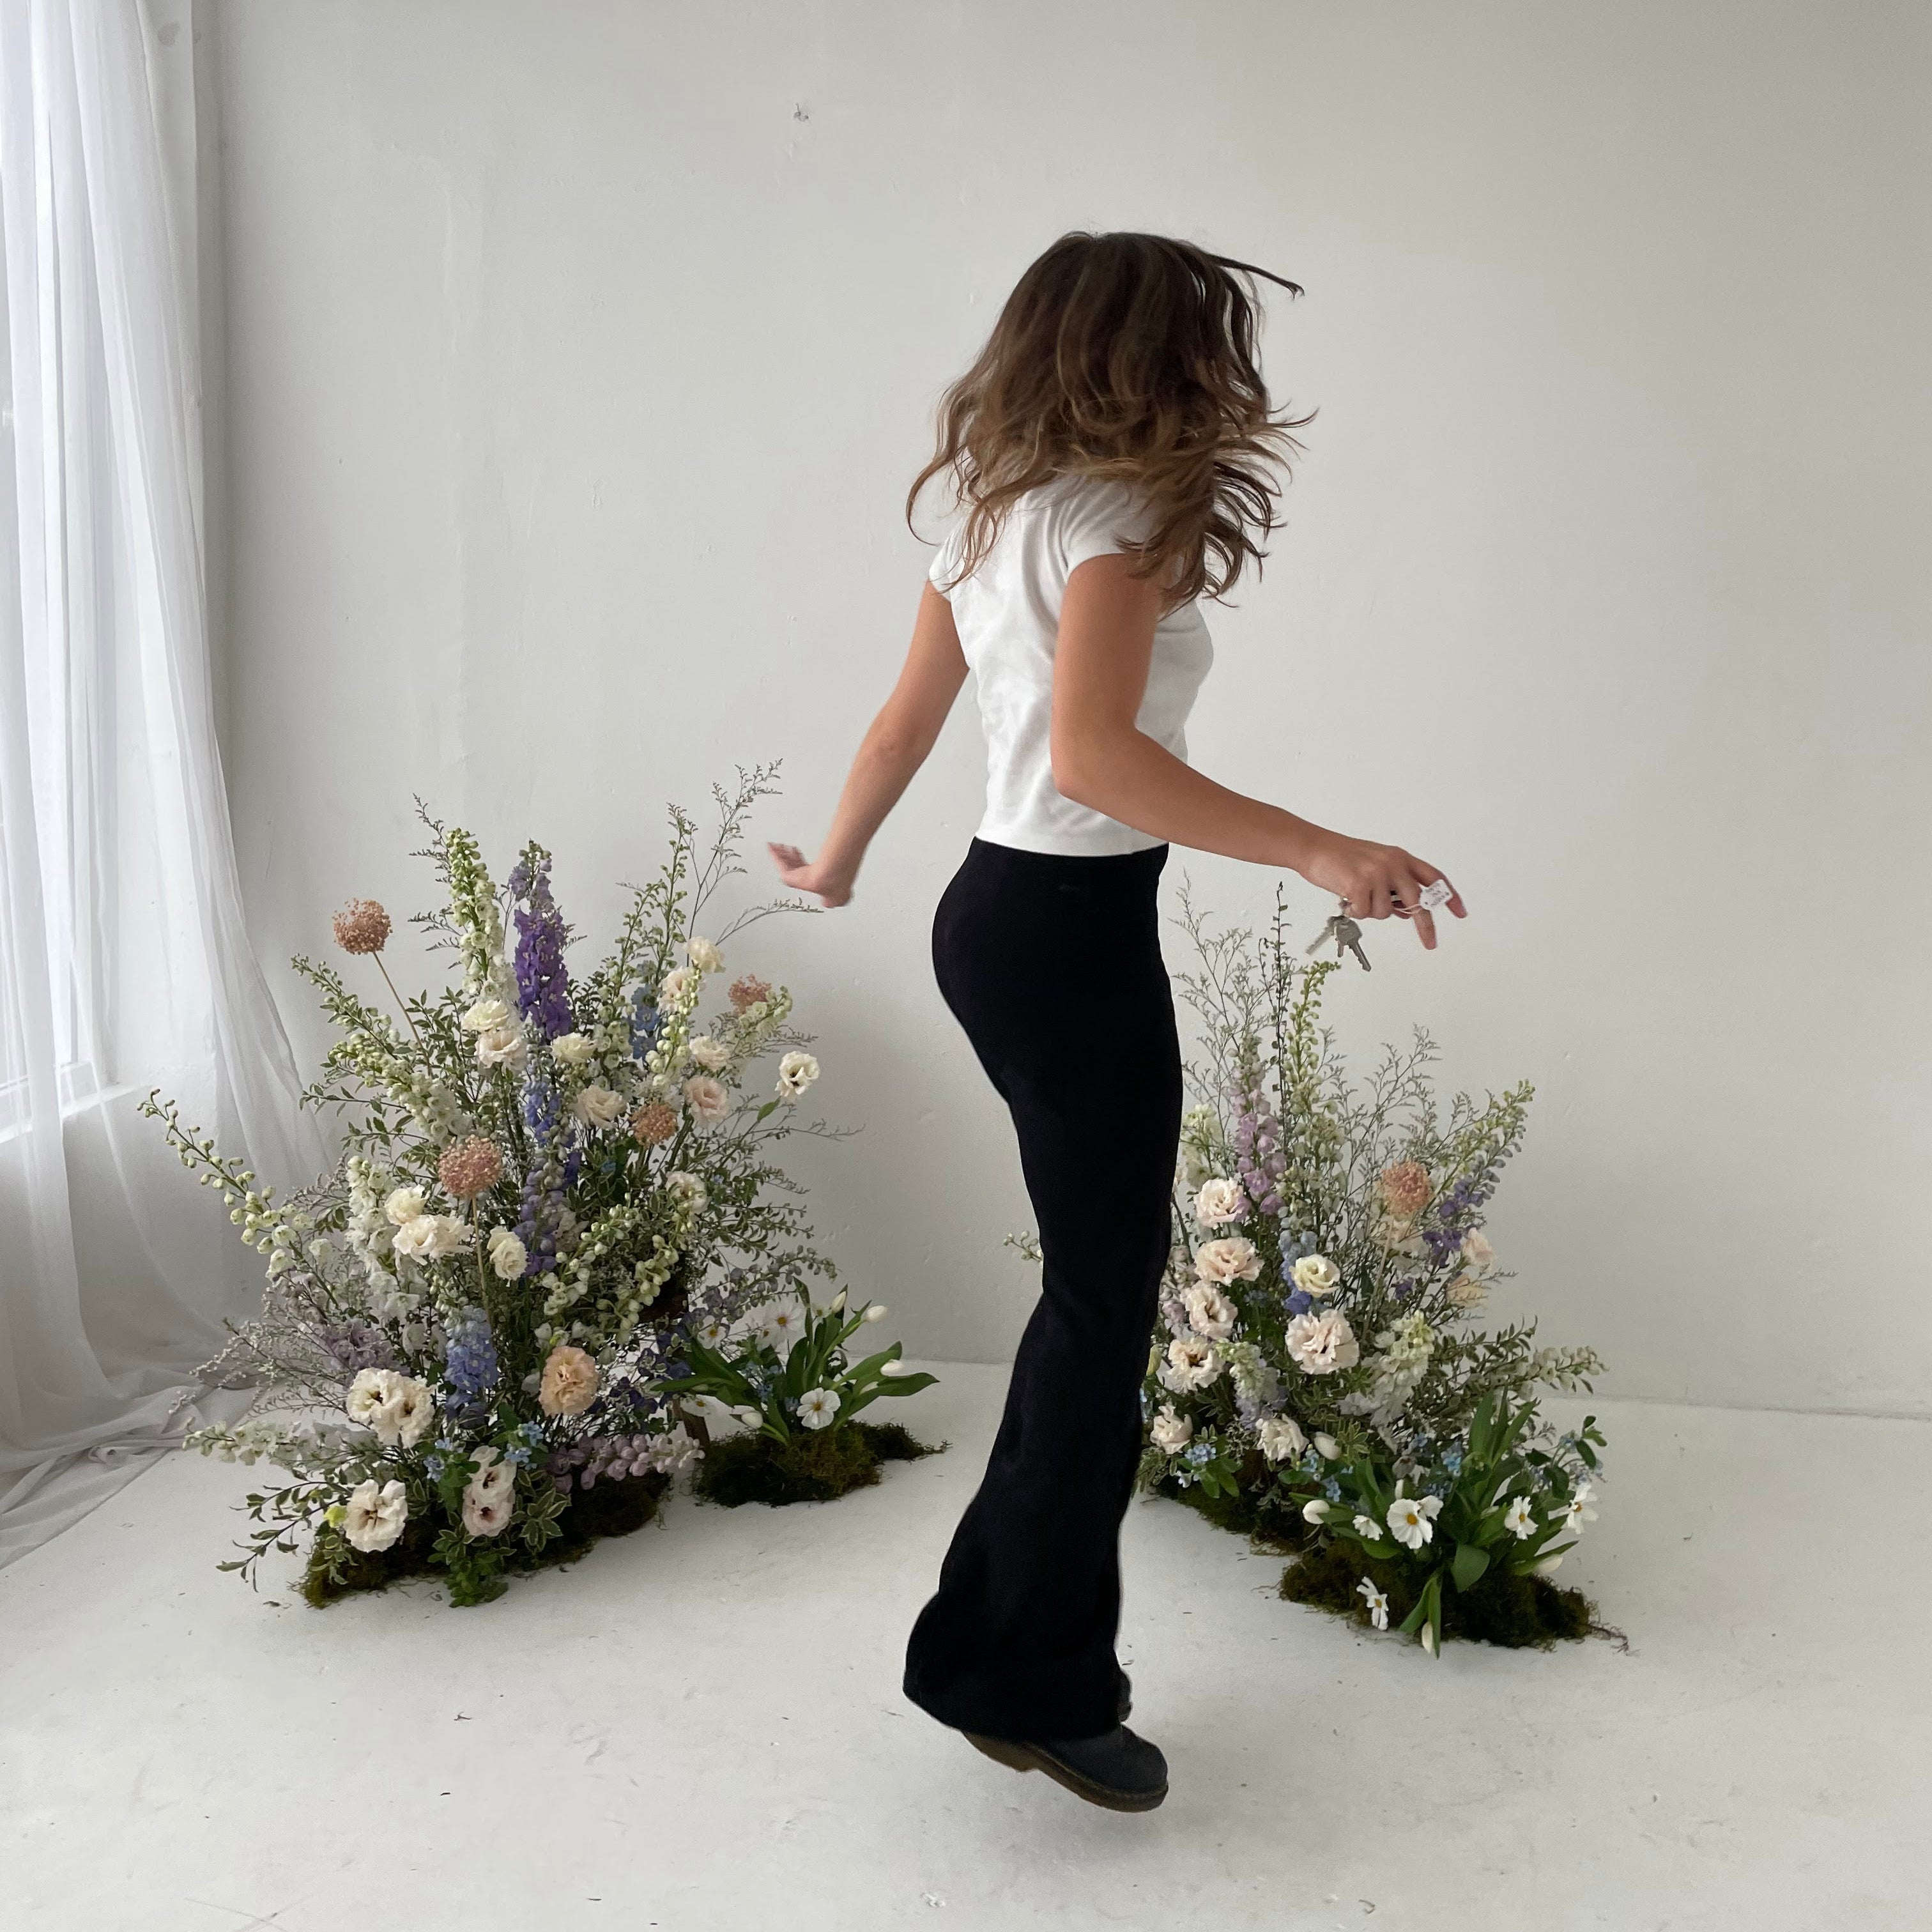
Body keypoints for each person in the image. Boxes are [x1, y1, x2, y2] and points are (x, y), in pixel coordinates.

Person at [769, 231, 1465, 1814]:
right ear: (1159, 355)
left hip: (994, 922)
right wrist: (1315, 846)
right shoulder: (1118, 521)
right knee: (1102, 1306)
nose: (1230, 374)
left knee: (1097, 1297)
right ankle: (1017, 1670)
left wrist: (841, 863)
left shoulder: (989, 510)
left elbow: (905, 721)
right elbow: (1092, 760)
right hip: (1065, 933)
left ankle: (1014, 1653)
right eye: (1212, 342)